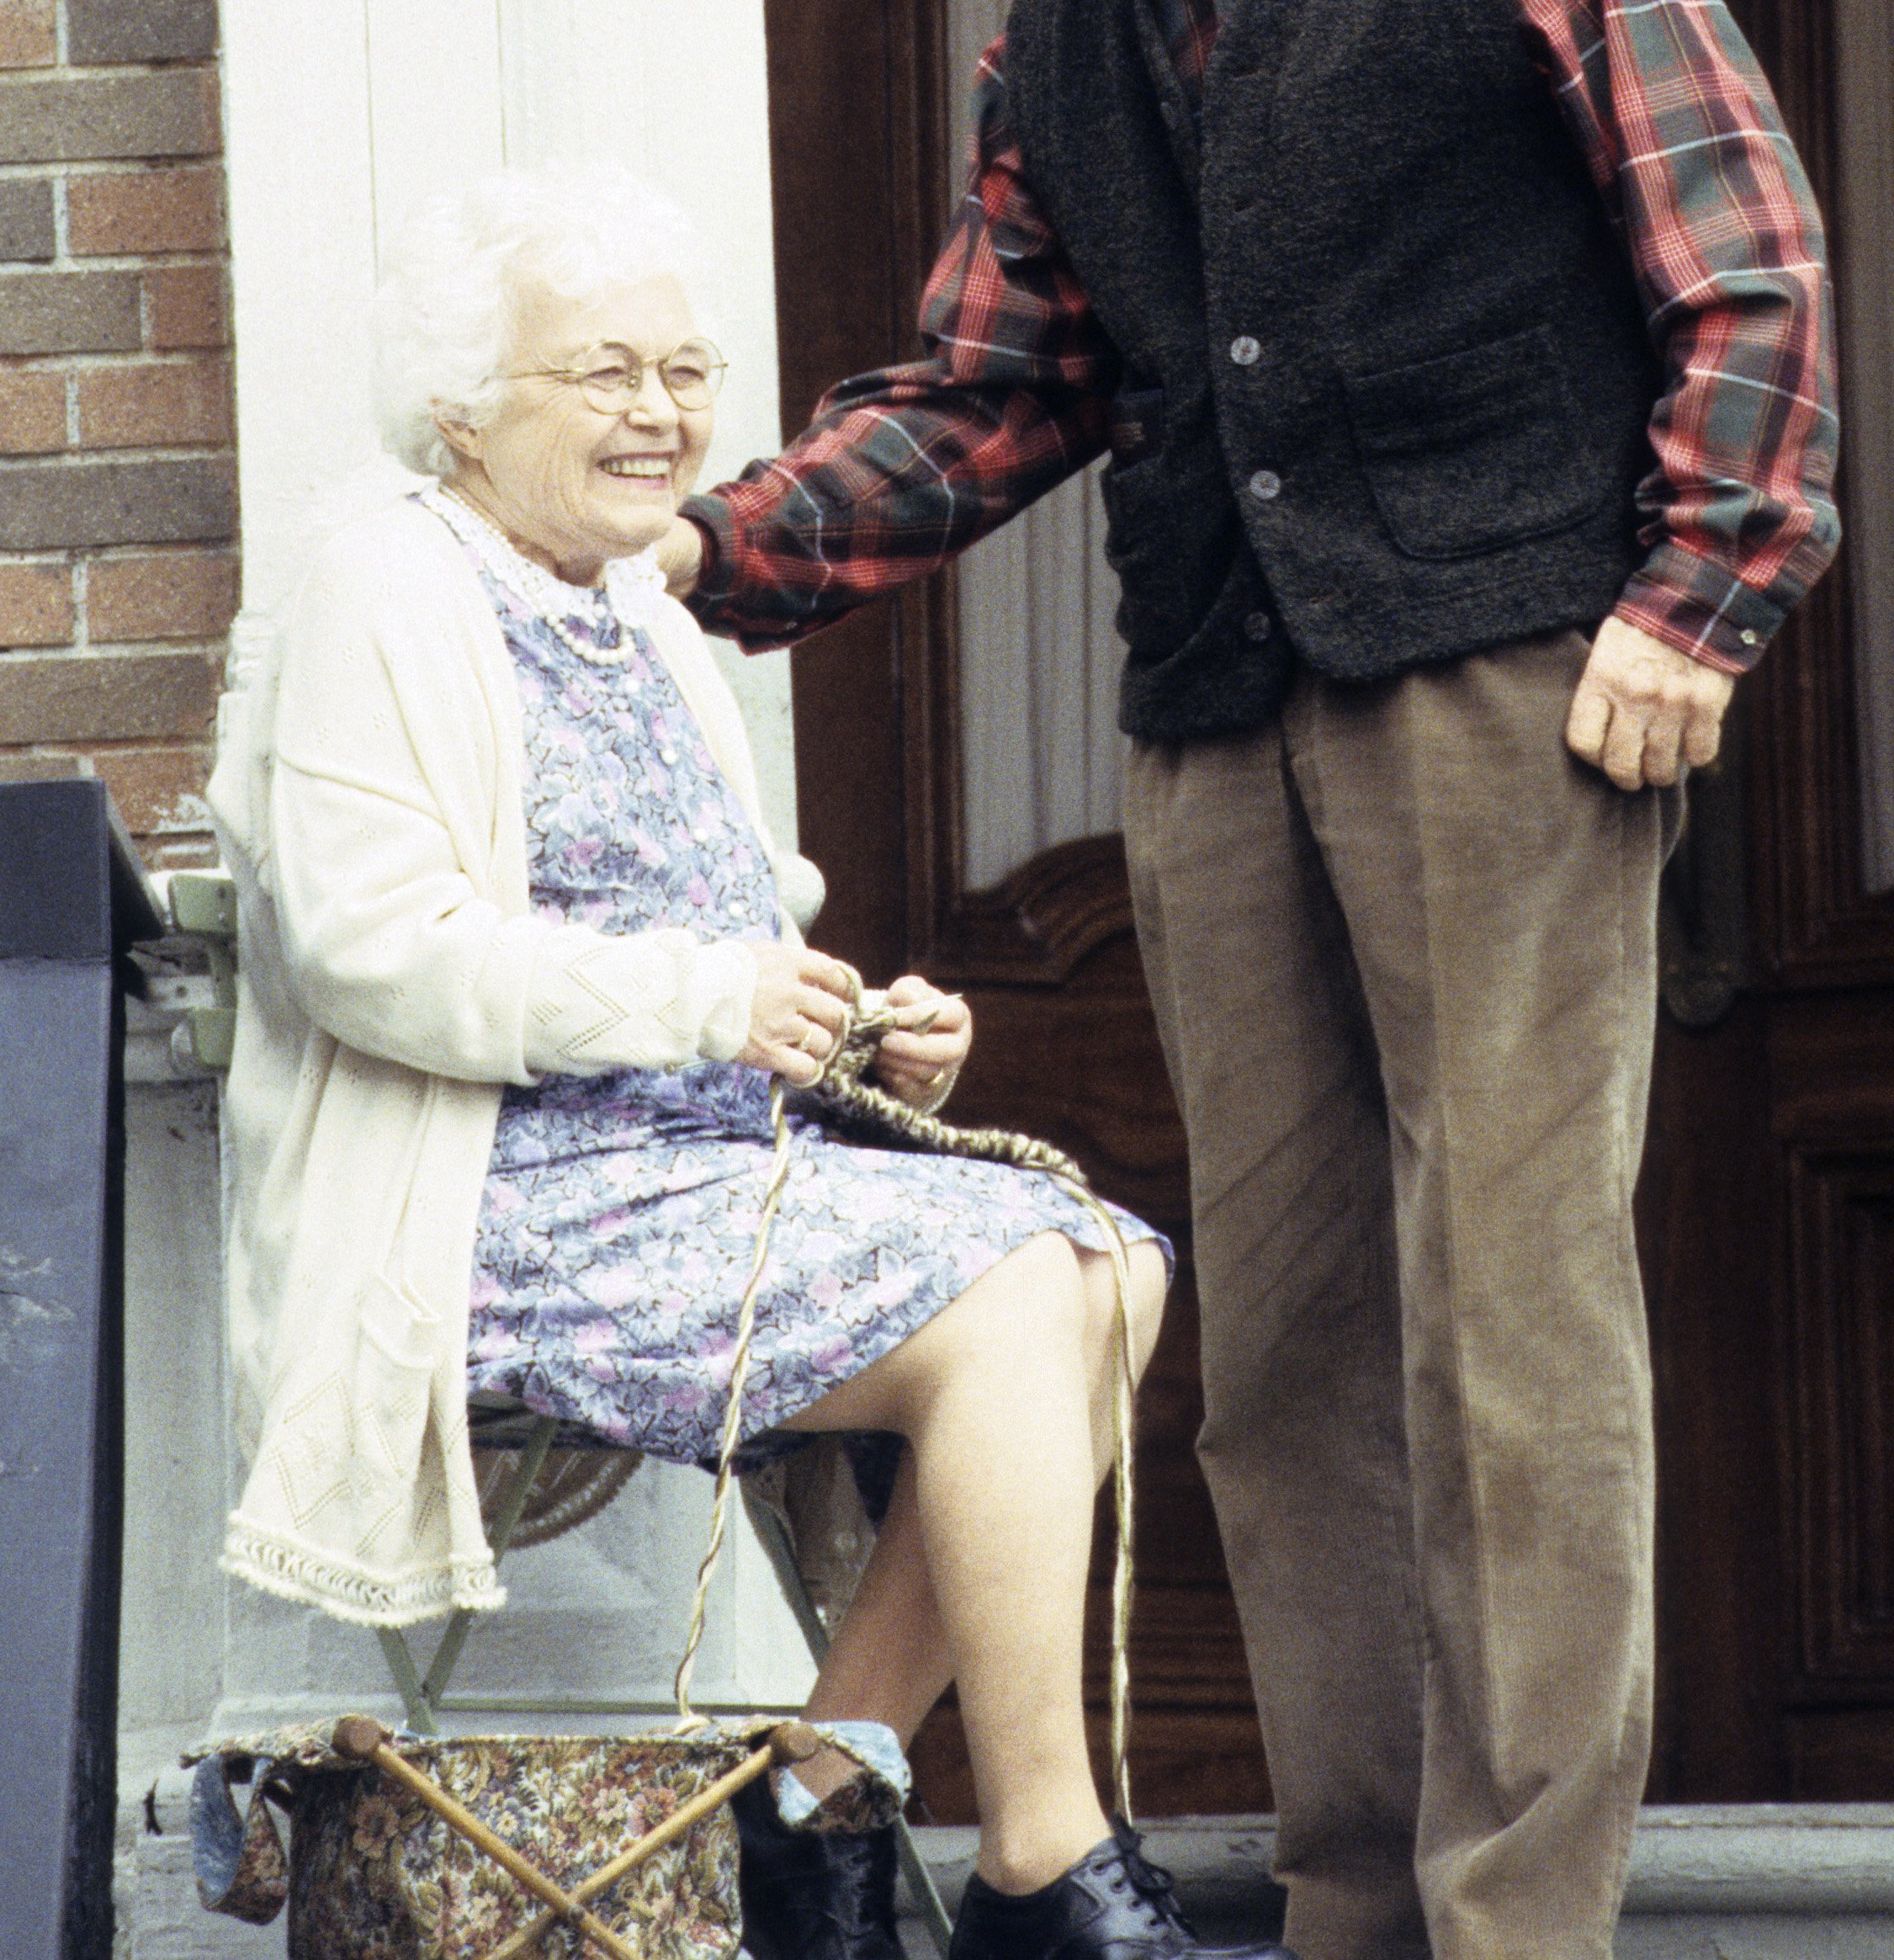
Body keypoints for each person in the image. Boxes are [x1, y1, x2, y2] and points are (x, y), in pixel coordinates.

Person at [657, 0, 1841, 1960]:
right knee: (1281, 1340)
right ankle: (1355, 1899)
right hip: (1216, 713)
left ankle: (1518, 1919)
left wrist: (1695, 602)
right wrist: (697, 553)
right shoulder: (1074, 21)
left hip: (1519, 677)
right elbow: (989, 387)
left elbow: (1740, 256)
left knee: (1512, 1314)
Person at [207, 166, 1274, 1960]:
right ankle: (1027, 1854)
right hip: (496, 1205)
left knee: (1094, 1269)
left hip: (699, 1172)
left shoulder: (636, 611)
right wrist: (712, 1000)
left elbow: (724, 936)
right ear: (465, 404)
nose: (661, 414)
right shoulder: (378, 589)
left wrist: (855, 1029)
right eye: (603, 372)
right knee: (1035, 1286)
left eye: (686, 371)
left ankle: (818, 1799)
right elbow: (368, 951)